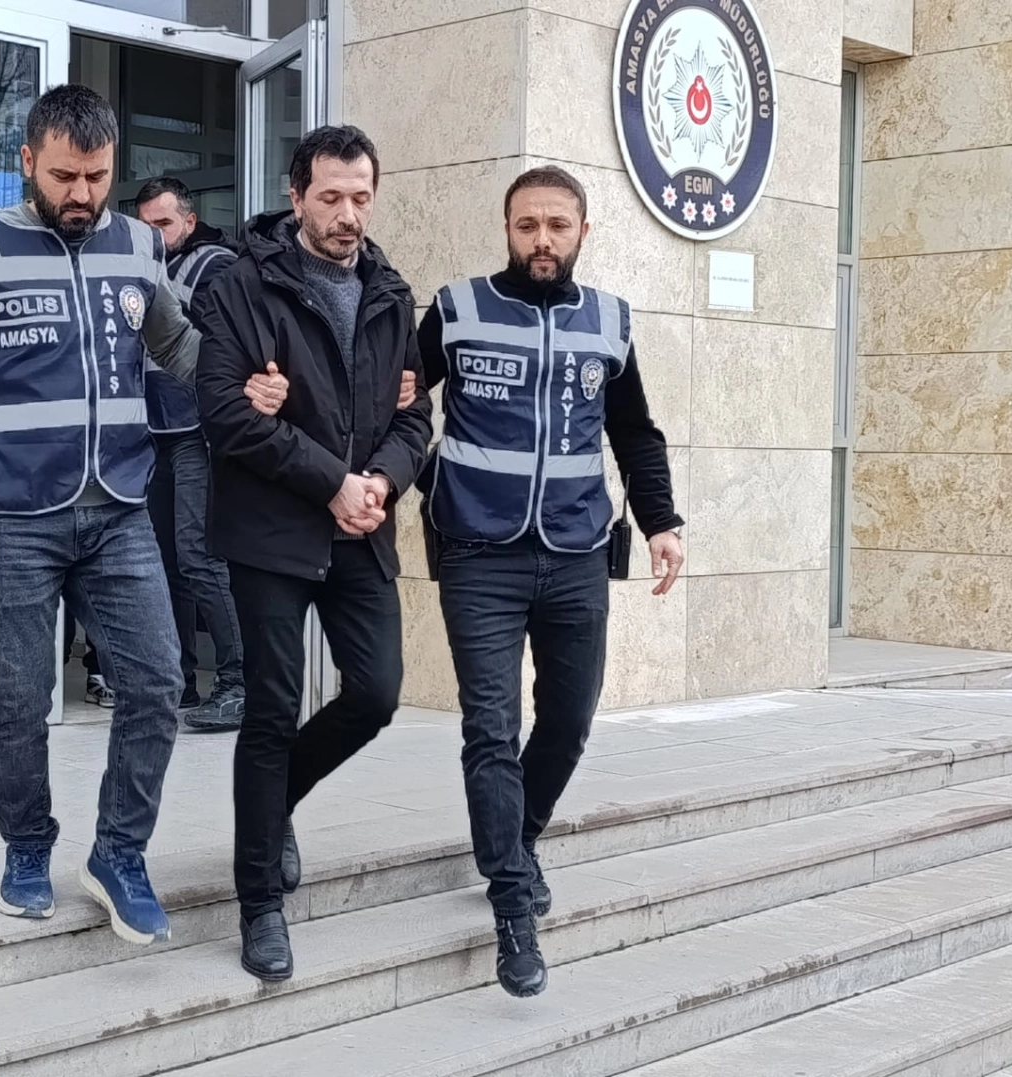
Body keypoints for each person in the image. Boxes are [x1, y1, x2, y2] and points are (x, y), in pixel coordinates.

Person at [0, 84, 199, 946]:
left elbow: (177, 345)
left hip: (118, 508)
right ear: (28, 160)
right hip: (5, 512)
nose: (82, 193)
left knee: (157, 683)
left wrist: (254, 376)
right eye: (65, 176)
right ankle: (27, 847)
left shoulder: (140, 244)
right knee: (16, 699)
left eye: (97, 177)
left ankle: (119, 853)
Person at [419, 165, 684, 997]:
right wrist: (417, 476)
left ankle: (517, 836)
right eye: (527, 224)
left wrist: (662, 521)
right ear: (507, 228)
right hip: (478, 554)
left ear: (582, 232)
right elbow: (394, 404)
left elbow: (634, 431)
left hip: (575, 552)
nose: (542, 239)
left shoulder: (608, 320)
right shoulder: (456, 310)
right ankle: (512, 908)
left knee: (569, 720)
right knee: (490, 729)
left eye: (557, 225)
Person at [193, 125, 433, 983]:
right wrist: (332, 479)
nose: (347, 215)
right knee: (270, 708)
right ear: (296, 196)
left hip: (360, 526)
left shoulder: (390, 291)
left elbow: (414, 416)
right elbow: (225, 412)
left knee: (376, 691)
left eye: (361, 197)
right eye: (330, 197)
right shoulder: (240, 285)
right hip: (271, 532)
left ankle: (274, 802)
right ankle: (259, 902)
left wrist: (381, 481)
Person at [136, 176, 245, 734]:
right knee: (163, 562)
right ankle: (177, 681)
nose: (155, 236)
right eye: (146, 226)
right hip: (155, 433)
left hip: (200, 432)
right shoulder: (142, 268)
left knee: (199, 557)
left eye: (164, 223)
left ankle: (240, 685)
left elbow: (227, 344)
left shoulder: (216, 266)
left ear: (189, 221)